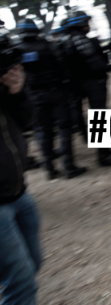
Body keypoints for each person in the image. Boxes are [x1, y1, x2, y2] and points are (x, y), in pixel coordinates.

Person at [0, 24, 42, 305]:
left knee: (33, 263)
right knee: (20, 278)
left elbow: (27, 121)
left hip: (19, 192)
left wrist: (16, 91)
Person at [15, 19, 86, 180]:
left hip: (34, 96)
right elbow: (64, 69)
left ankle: (50, 169)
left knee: (43, 131)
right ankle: (69, 167)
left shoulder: (16, 52)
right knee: (64, 128)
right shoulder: (49, 47)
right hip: (56, 92)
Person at [58, 11, 111, 167]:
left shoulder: (65, 40)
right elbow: (96, 65)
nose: (88, 25)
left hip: (76, 85)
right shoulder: (81, 40)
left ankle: (105, 150)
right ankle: (104, 155)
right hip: (91, 83)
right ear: (81, 25)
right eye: (86, 22)